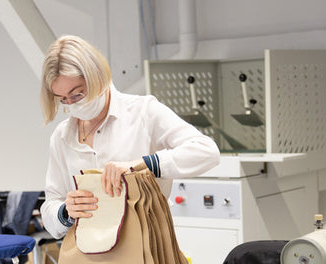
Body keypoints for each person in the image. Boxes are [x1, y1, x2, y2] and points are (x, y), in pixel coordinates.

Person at [39, 35, 220, 239]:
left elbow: (207, 151)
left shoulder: (143, 112)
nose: (72, 105)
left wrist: (141, 165)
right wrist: (65, 212)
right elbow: (50, 207)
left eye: (78, 94)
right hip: (88, 252)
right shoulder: (62, 136)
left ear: (96, 76)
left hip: (145, 246)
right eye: (63, 99)